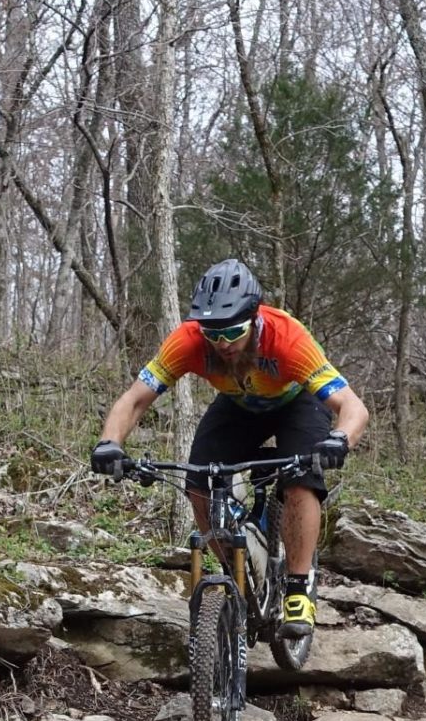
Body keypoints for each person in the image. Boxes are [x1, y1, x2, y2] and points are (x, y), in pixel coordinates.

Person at [92, 258, 369, 637]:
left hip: (297, 405)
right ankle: (234, 573)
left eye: (232, 332)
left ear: (254, 318)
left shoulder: (287, 338)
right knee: (198, 482)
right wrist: (110, 443)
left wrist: (340, 439)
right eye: (212, 333)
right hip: (238, 407)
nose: (222, 344)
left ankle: (298, 589)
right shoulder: (188, 340)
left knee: (302, 481)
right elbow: (136, 399)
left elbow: (352, 407)